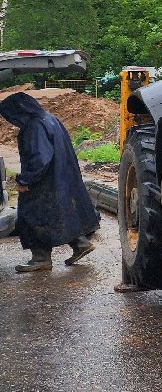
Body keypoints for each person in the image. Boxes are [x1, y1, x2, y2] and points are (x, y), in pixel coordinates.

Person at [0, 93, 100, 273]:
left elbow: (39, 157)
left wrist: (25, 179)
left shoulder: (34, 126)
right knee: (61, 212)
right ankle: (81, 244)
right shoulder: (50, 119)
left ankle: (40, 259)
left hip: (43, 181)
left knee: (32, 216)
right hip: (60, 177)